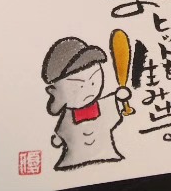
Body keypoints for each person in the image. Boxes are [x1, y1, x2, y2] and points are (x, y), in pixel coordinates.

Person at [42, 37, 131, 171]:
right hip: (73, 162)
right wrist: (58, 139)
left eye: (93, 81)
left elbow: (113, 104)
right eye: (77, 87)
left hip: (108, 157)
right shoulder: (68, 117)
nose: (88, 89)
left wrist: (120, 97)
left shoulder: (103, 106)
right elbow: (63, 130)